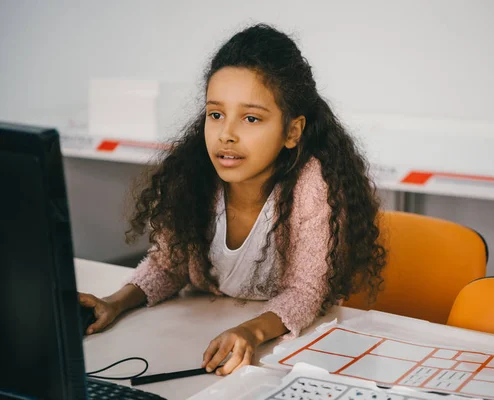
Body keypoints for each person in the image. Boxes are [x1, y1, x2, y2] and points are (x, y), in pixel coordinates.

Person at [78, 24, 386, 376]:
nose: (226, 134)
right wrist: (114, 303)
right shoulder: (194, 174)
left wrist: (250, 331)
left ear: (291, 131)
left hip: (293, 352)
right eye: (216, 114)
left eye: (251, 118)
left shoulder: (313, 186)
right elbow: (168, 265)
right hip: (202, 331)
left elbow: (305, 292)